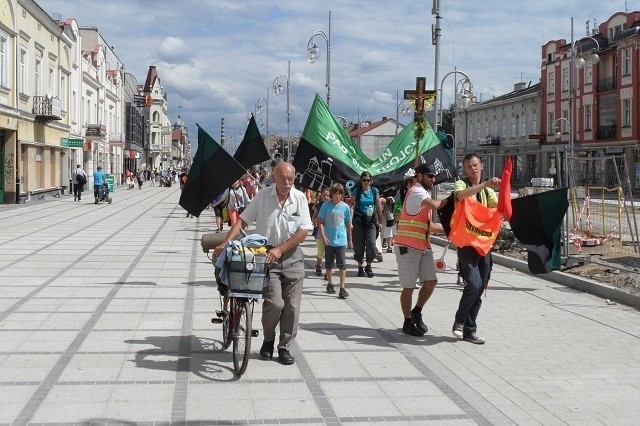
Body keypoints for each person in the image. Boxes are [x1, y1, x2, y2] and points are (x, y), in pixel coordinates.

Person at [214, 162, 313, 366]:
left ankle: (284, 346)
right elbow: (242, 221)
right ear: (274, 178)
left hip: (292, 255)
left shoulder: (300, 198)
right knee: (275, 304)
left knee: (292, 307)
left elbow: (304, 230)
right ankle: (268, 340)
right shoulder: (262, 196)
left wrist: (282, 248)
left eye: (290, 178)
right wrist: (225, 241)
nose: (287, 182)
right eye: (283, 178)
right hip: (267, 256)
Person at [451, 153, 500, 345]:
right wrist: (486, 184)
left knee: (480, 289)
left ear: (482, 166)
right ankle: (459, 322)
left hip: (484, 246)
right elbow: (460, 196)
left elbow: (497, 208)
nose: (473, 169)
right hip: (466, 245)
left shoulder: (488, 192)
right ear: (465, 169)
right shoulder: (462, 184)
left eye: (475, 165)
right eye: (469, 166)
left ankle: (470, 331)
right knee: (473, 283)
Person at [395, 163, 448, 336]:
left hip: (423, 246)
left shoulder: (422, 194)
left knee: (431, 281)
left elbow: (429, 225)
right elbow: (435, 205)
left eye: (434, 176)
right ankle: (407, 321)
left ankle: (417, 311)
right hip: (407, 247)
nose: (433, 179)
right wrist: (453, 199)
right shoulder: (417, 192)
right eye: (429, 176)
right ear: (419, 176)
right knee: (409, 287)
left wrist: (449, 230)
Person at [317, 183, 352, 298]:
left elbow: (348, 223)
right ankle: (330, 283)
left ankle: (342, 287)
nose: (337, 196)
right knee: (329, 263)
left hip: (341, 240)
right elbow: (320, 222)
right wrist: (323, 236)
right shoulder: (326, 206)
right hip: (329, 240)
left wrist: (350, 239)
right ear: (332, 194)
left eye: (340, 194)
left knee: (342, 264)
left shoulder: (345, 207)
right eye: (335, 194)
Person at [349, 171, 382, 278]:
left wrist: (380, 221)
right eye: (364, 180)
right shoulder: (357, 191)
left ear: (371, 181)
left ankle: (369, 265)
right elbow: (350, 204)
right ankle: (360, 267)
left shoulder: (374, 191)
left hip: (371, 220)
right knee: (359, 244)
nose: (366, 182)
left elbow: (378, 205)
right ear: (361, 180)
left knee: (371, 242)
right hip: (359, 219)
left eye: (368, 180)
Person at [312, 188, 330, 277]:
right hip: (320, 232)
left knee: (329, 253)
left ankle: (328, 272)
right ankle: (318, 264)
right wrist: (316, 220)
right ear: (321, 196)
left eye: (328, 195)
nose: (326, 197)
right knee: (321, 252)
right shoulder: (318, 206)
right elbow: (314, 217)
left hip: (331, 232)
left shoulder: (333, 205)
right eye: (324, 195)